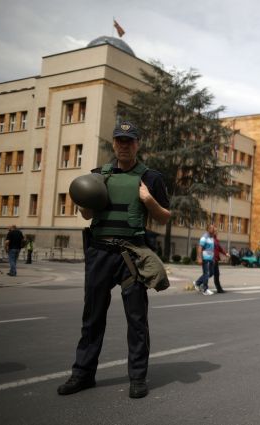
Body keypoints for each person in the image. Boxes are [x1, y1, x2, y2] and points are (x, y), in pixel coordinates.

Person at [57, 121, 171, 399]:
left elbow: (164, 217)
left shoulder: (151, 178)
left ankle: (138, 378)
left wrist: (148, 201)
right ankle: (83, 374)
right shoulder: (98, 175)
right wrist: (83, 199)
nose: (123, 145)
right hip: (99, 252)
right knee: (92, 317)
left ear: (137, 144)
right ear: (113, 143)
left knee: (136, 319)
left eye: (129, 141)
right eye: (119, 140)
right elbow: (86, 216)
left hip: (130, 256)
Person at [194, 224, 217, 295]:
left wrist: (213, 258)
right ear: (208, 229)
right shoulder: (204, 237)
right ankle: (205, 289)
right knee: (206, 273)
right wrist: (199, 258)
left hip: (210, 259)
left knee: (211, 273)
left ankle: (197, 283)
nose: (212, 229)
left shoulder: (211, 237)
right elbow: (200, 247)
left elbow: (211, 249)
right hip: (205, 258)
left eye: (213, 228)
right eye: (211, 228)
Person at [212, 229, 229, 293]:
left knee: (216, 274)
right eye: (216, 231)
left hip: (215, 259)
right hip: (211, 259)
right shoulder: (210, 239)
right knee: (210, 274)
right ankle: (199, 283)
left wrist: (226, 254)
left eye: (217, 231)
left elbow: (220, 249)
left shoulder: (216, 240)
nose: (217, 233)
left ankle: (219, 289)